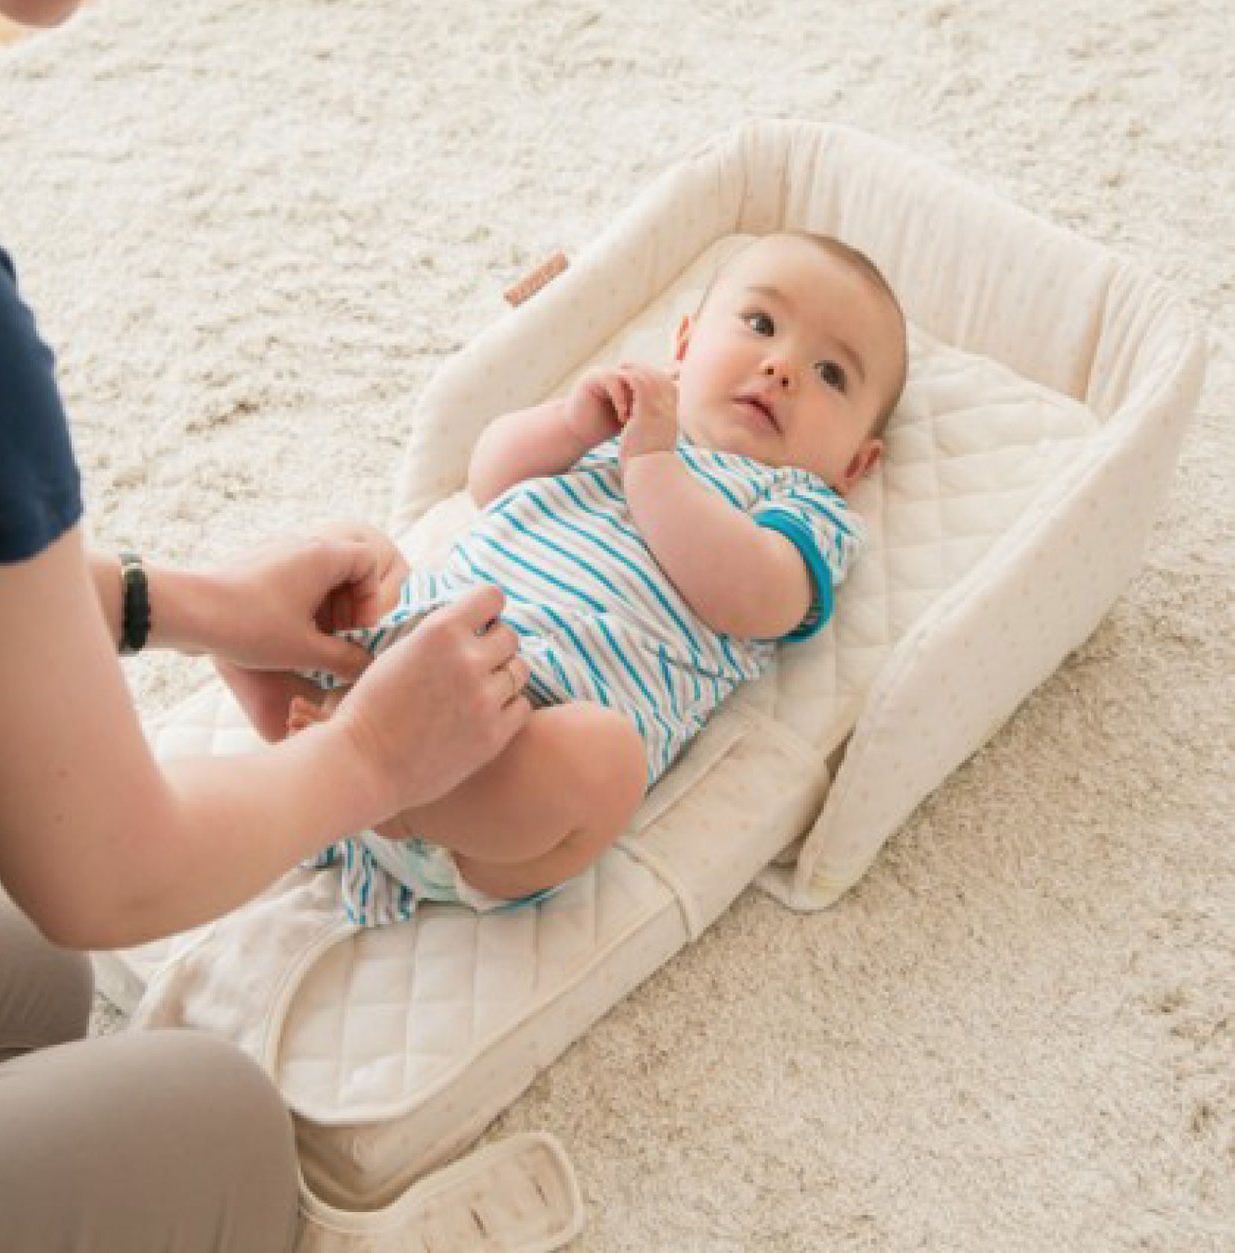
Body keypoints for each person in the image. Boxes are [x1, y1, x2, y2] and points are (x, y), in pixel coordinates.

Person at [0, 0, 534, 1250]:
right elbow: (106, 871)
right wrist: (373, 755)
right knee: (216, 1129)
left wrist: (178, 603)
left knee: (14, 988)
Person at [225, 230, 910, 926]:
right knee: (340, 553)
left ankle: (387, 795)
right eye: (760, 324)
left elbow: (755, 598)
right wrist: (572, 422)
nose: (782, 366)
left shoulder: (801, 506)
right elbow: (489, 478)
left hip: (515, 752)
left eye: (832, 374)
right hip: (411, 649)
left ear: (855, 463)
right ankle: (298, 721)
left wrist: (650, 465)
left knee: (606, 762)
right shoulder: (626, 417)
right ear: (683, 344)